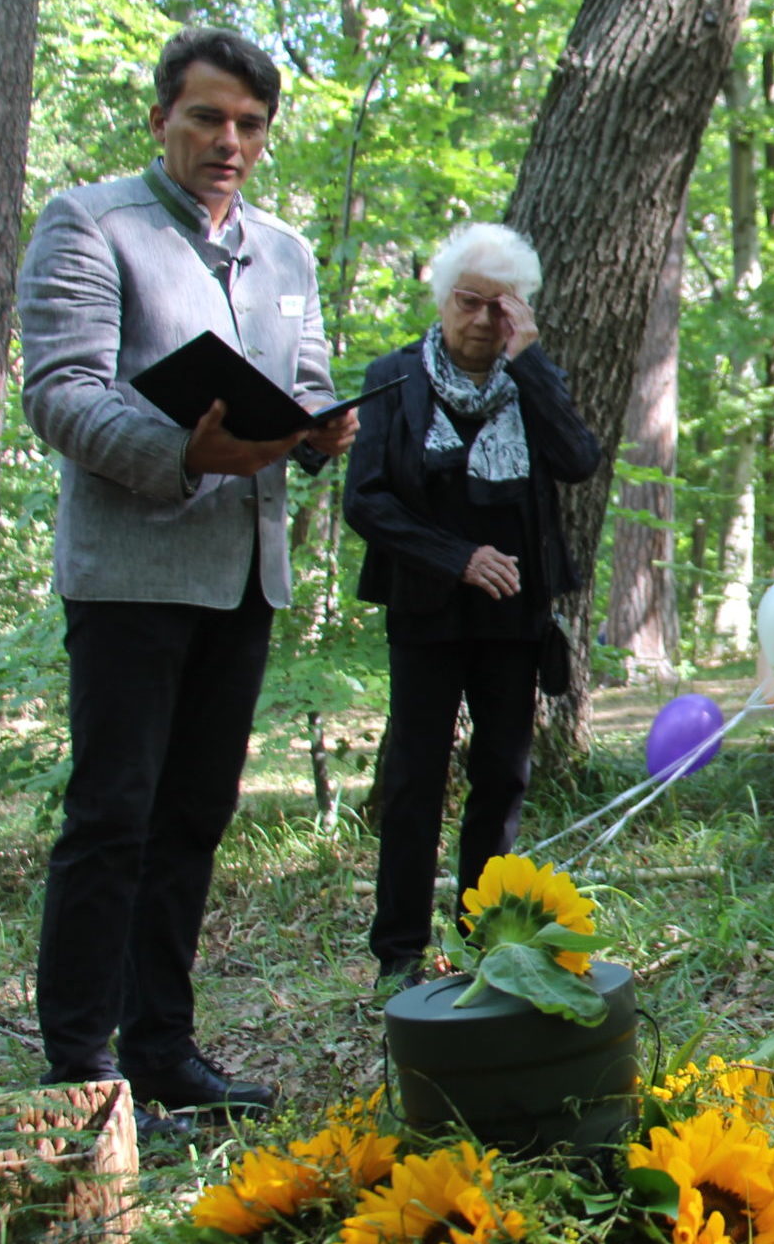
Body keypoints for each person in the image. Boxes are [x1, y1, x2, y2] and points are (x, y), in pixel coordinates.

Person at [17, 27, 356, 1120]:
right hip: (129, 571)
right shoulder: (90, 223)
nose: (229, 140)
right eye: (208, 116)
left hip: (242, 576)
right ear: (160, 116)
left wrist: (318, 430)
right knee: (114, 814)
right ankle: (80, 1068)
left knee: (194, 819)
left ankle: (162, 1047)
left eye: (251, 124)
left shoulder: (287, 252)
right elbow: (62, 392)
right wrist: (181, 454)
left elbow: (301, 377)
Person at [345, 224, 600, 987]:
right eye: (470, 301)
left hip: (513, 619)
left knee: (502, 777)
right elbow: (367, 501)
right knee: (416, 777)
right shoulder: (394, 380)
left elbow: (579, 460)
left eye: (502, 307)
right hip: (425, 611)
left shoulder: (530, 380)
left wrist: (532, 360)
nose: (484, 320)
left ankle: (487, 938)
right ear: (441, 298)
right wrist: (458, 559)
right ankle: (397, 951)